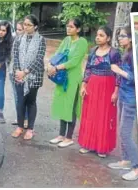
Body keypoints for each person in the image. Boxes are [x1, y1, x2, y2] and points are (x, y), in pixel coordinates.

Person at [78, 26, 119, 158]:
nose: (97, 37)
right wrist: (84, 86)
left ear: (108, 38)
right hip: (92, 86)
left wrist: (116, 92)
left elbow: (118, 74)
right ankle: (87, 144)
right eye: (97, 35)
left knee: (104, 116)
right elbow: (88, 69)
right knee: (90, 114)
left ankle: (102, 147)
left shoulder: (114, 53)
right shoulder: (92, 51)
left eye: (101, 35)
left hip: (108, 86)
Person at [107, 25, 138, 181]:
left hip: (130, 99)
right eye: (119, 36)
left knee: (125, 133)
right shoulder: (126, 53)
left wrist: (118, 70)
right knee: (123, 132)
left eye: (123, 36)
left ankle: (137, 168)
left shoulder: (134, 55)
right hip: (123, 96)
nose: (120, 38)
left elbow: (136, 78)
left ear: (131, 38)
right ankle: (126, 160)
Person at [48, 18, 88, 148]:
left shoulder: (82, 42)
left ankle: (69, 137)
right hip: (62, 77)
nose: (68, 28)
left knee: (70, 107)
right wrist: (50, 64)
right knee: (62, 104)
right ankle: (61, 135)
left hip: (73, 78)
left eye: (71, 27)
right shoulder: (66, 40)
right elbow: (57, 54)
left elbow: (74, 62)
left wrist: (57, 68)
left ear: (78, 29)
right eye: (67, 26)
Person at [11, 15, 46, 140]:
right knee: (20, 102)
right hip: (19, 75)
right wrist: (17, 71)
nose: (25, 27)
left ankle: (30, 129)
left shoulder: (41, 40)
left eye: (28, 25)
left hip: (33, 76)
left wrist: (25, 72)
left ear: (35, 26)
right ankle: (20, 127)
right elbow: (14, 56)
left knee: (31, 102)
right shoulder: (19, 39)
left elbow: (39, 59)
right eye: (24, 24)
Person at [0, 21, 14, 123]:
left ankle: (0, 113)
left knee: (0, 92)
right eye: (0, 30)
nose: (1, 32)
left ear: (7, 32)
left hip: (0, 70)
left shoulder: (9, 43)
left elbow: (6, 59)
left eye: (4, 31)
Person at [9, 21, 28, 126]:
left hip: (24, 74)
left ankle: (26, 119)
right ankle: (19, 118)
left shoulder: (28, 43)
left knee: (25, 96)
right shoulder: (15, 40)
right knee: (17, 97)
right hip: (13, 72)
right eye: (17, 29)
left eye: (20, 29)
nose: (17, 32)